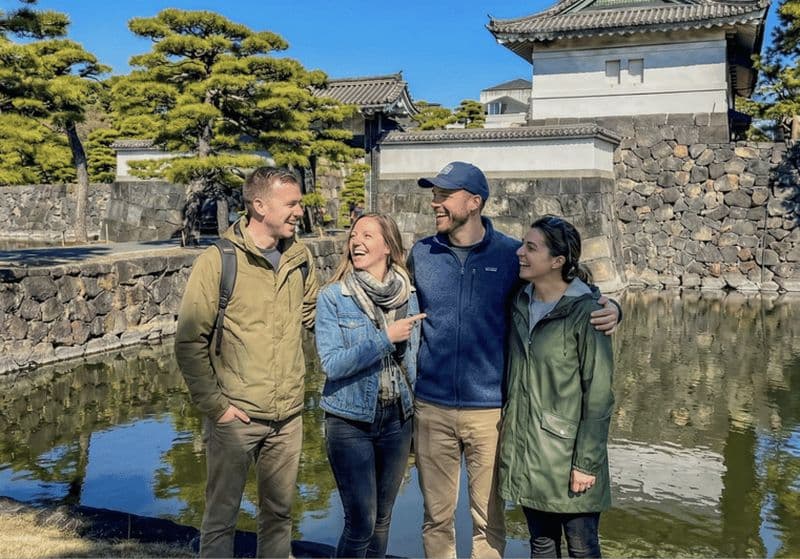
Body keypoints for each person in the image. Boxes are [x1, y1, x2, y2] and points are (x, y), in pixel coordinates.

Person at [408, 161, 619, 558]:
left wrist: (615, 308)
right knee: (435, 519)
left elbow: (569, 289)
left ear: (474, 202)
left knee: (489, 521)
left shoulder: (510, 256)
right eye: (433, 194)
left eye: (443, 195)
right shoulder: (421, 253)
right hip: (431, 408)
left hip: (492, 413)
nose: (434, 202)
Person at [174, 167, 319, 558]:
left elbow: (313, 317)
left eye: (299, 203)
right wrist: (217, 408)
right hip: (236, 418)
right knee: (222, 516)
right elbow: (190, 341)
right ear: (259, 206)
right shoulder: (218, 260)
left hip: (288, 416)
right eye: (291, 204)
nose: (299, 211)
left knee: (280, 513)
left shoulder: (300, 258)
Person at [498, 216, 614, 558]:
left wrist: (586, 463)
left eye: (531, 247)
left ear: (557, 261)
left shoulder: (587, 313)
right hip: (528, 450)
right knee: (541, 544)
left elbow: (600, 394)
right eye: (523, 244)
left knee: (582, 547)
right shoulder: (519, 302)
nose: (520, 252)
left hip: (568, 457)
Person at [315, 213, 425, 558]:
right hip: (349, 421)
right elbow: (332, 364)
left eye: (367, 235)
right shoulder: (333, 297)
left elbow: (413, 363)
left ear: (388, 248)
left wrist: (419, 418)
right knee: (360, 521)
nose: (356, 241)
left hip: (397, 420)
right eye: (353, 235)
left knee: (382, 519)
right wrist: (385, 339)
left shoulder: (407, 295)